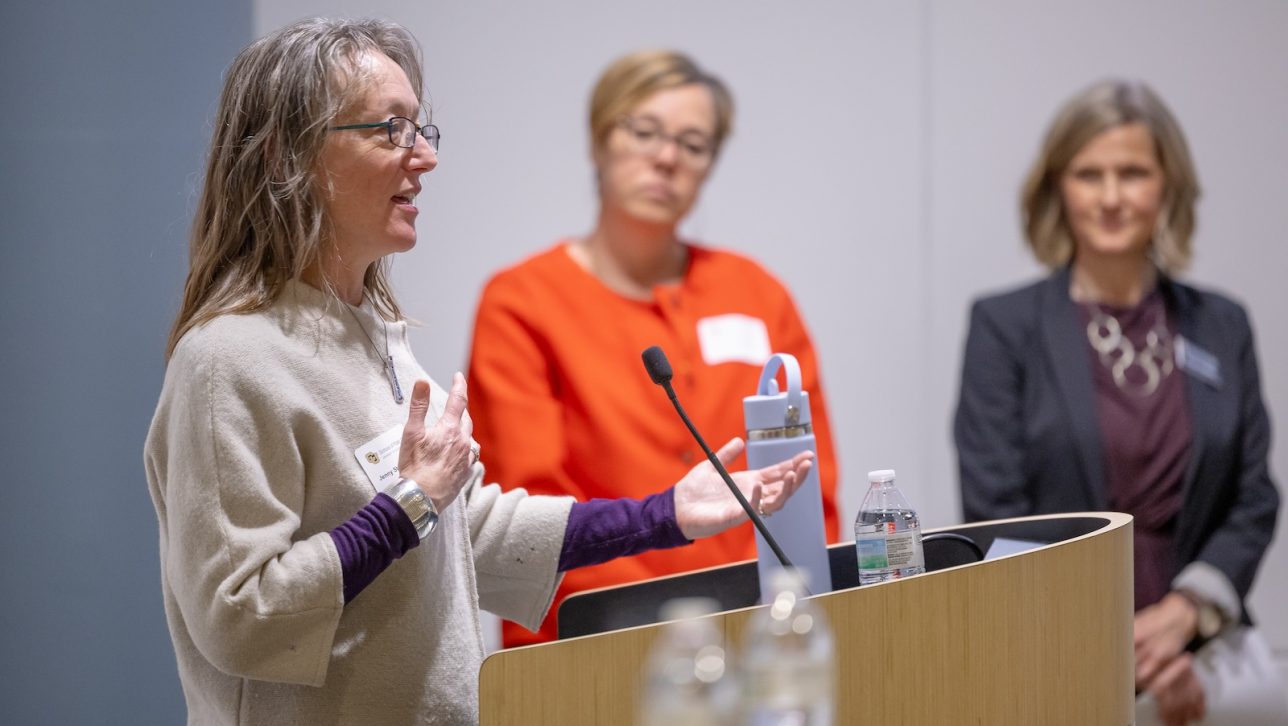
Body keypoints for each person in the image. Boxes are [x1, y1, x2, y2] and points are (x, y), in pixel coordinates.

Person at [143, 18, 814, 725]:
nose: (424, 156)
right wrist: (409, 507)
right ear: (287, 156)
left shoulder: (371, 338)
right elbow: (239, 616)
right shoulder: (226, 360)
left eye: (421, 128)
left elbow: (460, 535)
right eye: (390, 129)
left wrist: (666, 514)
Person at [466, 50, 842, 648]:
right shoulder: (522, 302)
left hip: (761, 629)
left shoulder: (759, 293)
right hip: (589, 639)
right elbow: (528, 511)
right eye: (643, 132)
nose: (666, 158)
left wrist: (802, 607)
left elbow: (809, 489)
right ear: (598, 142)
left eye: (693, 145)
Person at [954, 79, 1284, 725]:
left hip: (1205, 656)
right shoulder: (1004, 327)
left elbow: (1254, 497)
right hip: (1051, 654)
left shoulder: (1222, 324)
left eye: (1132, 173)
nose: (1110, 197)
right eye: (1088, 174)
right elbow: (996, 514)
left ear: (1168, 186)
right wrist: (1117, 650)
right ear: (1057, 187)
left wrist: (1185, 617)